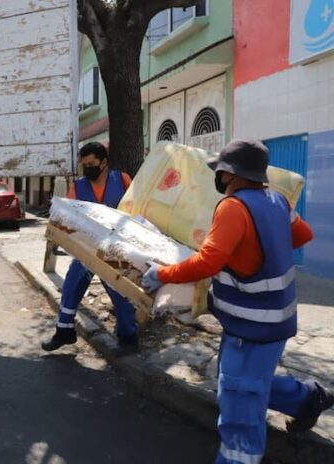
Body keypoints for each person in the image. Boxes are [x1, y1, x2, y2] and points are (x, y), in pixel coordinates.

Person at [142, 139, 333, 463]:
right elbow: (302, 236)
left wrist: (162, 274)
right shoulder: (278, 200)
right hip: (275, 319)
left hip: (252, 325)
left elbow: (207, 263)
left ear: (230, 173)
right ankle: (308, 399)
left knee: (239, 400)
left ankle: (239, 456)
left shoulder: (233, 208)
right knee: (244, 382)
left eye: (221, 171)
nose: (219, 178)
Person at [41, 142, 138, 353]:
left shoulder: (123, 180)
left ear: (104, 162)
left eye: (92, 163)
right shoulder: (78, 186)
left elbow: (135, 212)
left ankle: (128, 337)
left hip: (116, 250)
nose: (88, 168)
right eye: (84, 164)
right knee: (71, 284)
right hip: (88, 248)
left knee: (119, 291)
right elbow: (69, 219)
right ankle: (64, 331)